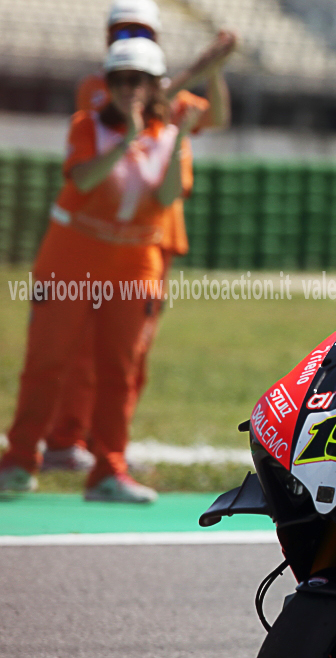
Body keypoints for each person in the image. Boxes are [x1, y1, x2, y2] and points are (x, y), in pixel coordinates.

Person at [39, 0, 236, 473]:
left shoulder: (165, 89)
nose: (131, 41)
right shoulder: (100, 86)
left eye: (141, 33)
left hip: (154, 237)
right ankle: (68, 438)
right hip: (107, 238)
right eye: (123, 32)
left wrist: (212, 72)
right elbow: (139, 110)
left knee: (131, 353)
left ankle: (106, 444)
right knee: (85, 347)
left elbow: (216, 117)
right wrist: (190, 73)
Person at [0, 37, 198, 502]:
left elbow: (168, 196)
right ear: (107, 84)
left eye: (139, 80)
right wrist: (126, 140)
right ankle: (19, 462)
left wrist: (178, 139)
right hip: (70, 263)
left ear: (155, 87)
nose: (128, 89)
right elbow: (84, 179)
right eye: (119, 80)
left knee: (120, 372)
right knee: (46, 364)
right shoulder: (86, 126)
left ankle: (108, 470)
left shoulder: (171, 137)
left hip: (134, 268)